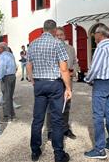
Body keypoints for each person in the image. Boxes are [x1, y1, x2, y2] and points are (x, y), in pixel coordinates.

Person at [27, 19, 72, 162]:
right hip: (54, 84)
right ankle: (58, 154)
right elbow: (64, 69)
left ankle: (35, 151)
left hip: (39, 84)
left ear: (43, 29)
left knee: (37, 119)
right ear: (54, 31)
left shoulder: (33, 44)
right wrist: (68, 87)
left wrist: (33, 80)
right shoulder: (58, 43)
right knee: (57, 119)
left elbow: (28, 66)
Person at [83, 25, 109, 159]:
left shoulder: (101, 48)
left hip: (102, 83)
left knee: (98, 116)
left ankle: (99, 149)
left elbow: (94, 68)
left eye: (95, 33)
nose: (94, 36)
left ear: (100, 34)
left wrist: (87, 79)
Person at [46, 27, 78, 140]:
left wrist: (73, 71)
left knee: (67, 106)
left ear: (65, 36)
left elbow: (75, 63)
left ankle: (65, 129)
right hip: (55, 82)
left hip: (68, 81)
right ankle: (50, 130)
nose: (59, 37)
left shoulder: (71, 49)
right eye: (57, 35)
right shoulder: (50, 49)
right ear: (55, 36)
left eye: (61, 35)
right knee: (51, 107)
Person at [0, 42, 17, 122]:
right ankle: (12, 115)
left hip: (7, 77)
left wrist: (0, 77)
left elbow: (2, 68)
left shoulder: (3, 56)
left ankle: (7, 116)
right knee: (10, 96)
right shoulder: (10, 54)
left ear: (2, 48)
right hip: (12, 76)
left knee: (5, 97)